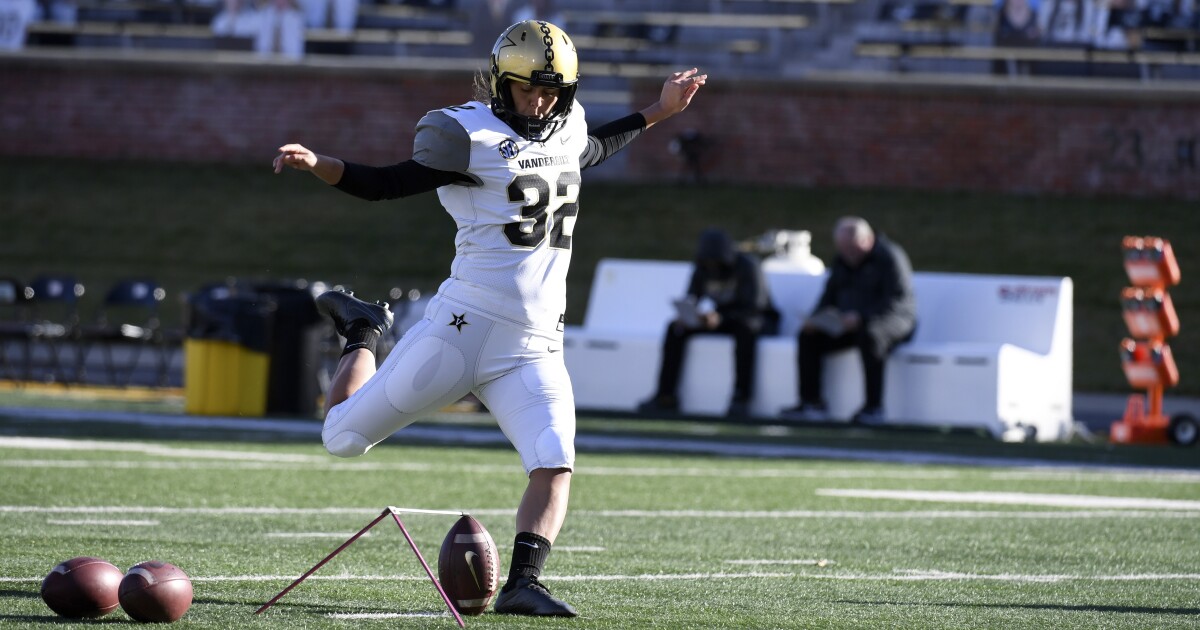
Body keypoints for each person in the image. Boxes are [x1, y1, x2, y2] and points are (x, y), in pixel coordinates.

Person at [272, 19, 705, 617]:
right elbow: (387, 184)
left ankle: (524, 583)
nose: (542, 100)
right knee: (341, 439)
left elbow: (594, 148)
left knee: (555, 460)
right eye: (530, 89)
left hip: (533, 347)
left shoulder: (567, 126)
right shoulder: (465, 133)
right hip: (462, 329)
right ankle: (361, 331)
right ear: (503, 83)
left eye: (554, 90)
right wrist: (321, 163)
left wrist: (658, 111)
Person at [780, 217, 916, 425]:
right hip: (848, 324)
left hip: (893, 321)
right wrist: (816, 319)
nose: (848, 255)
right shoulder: (842, 260)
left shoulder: (889, 257)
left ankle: (873, 407)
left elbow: (896, 301)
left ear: (867, 240)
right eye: (843, 249)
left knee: (871, 335)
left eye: (852, 249)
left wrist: (862, 317)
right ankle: (811, 403)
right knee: (808, 336)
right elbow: (829, 295)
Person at [637, 228, 775, 419]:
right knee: (675, 329)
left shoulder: (748, 266)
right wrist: (688, 316)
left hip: (751, 319)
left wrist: (721, 318)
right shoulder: (702, 268)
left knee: (746, 330)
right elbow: (692, 297)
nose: (712, 266)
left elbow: (754, 306)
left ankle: (741, 398)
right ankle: (665, 395)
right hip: (716, 319)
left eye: (715, 262)